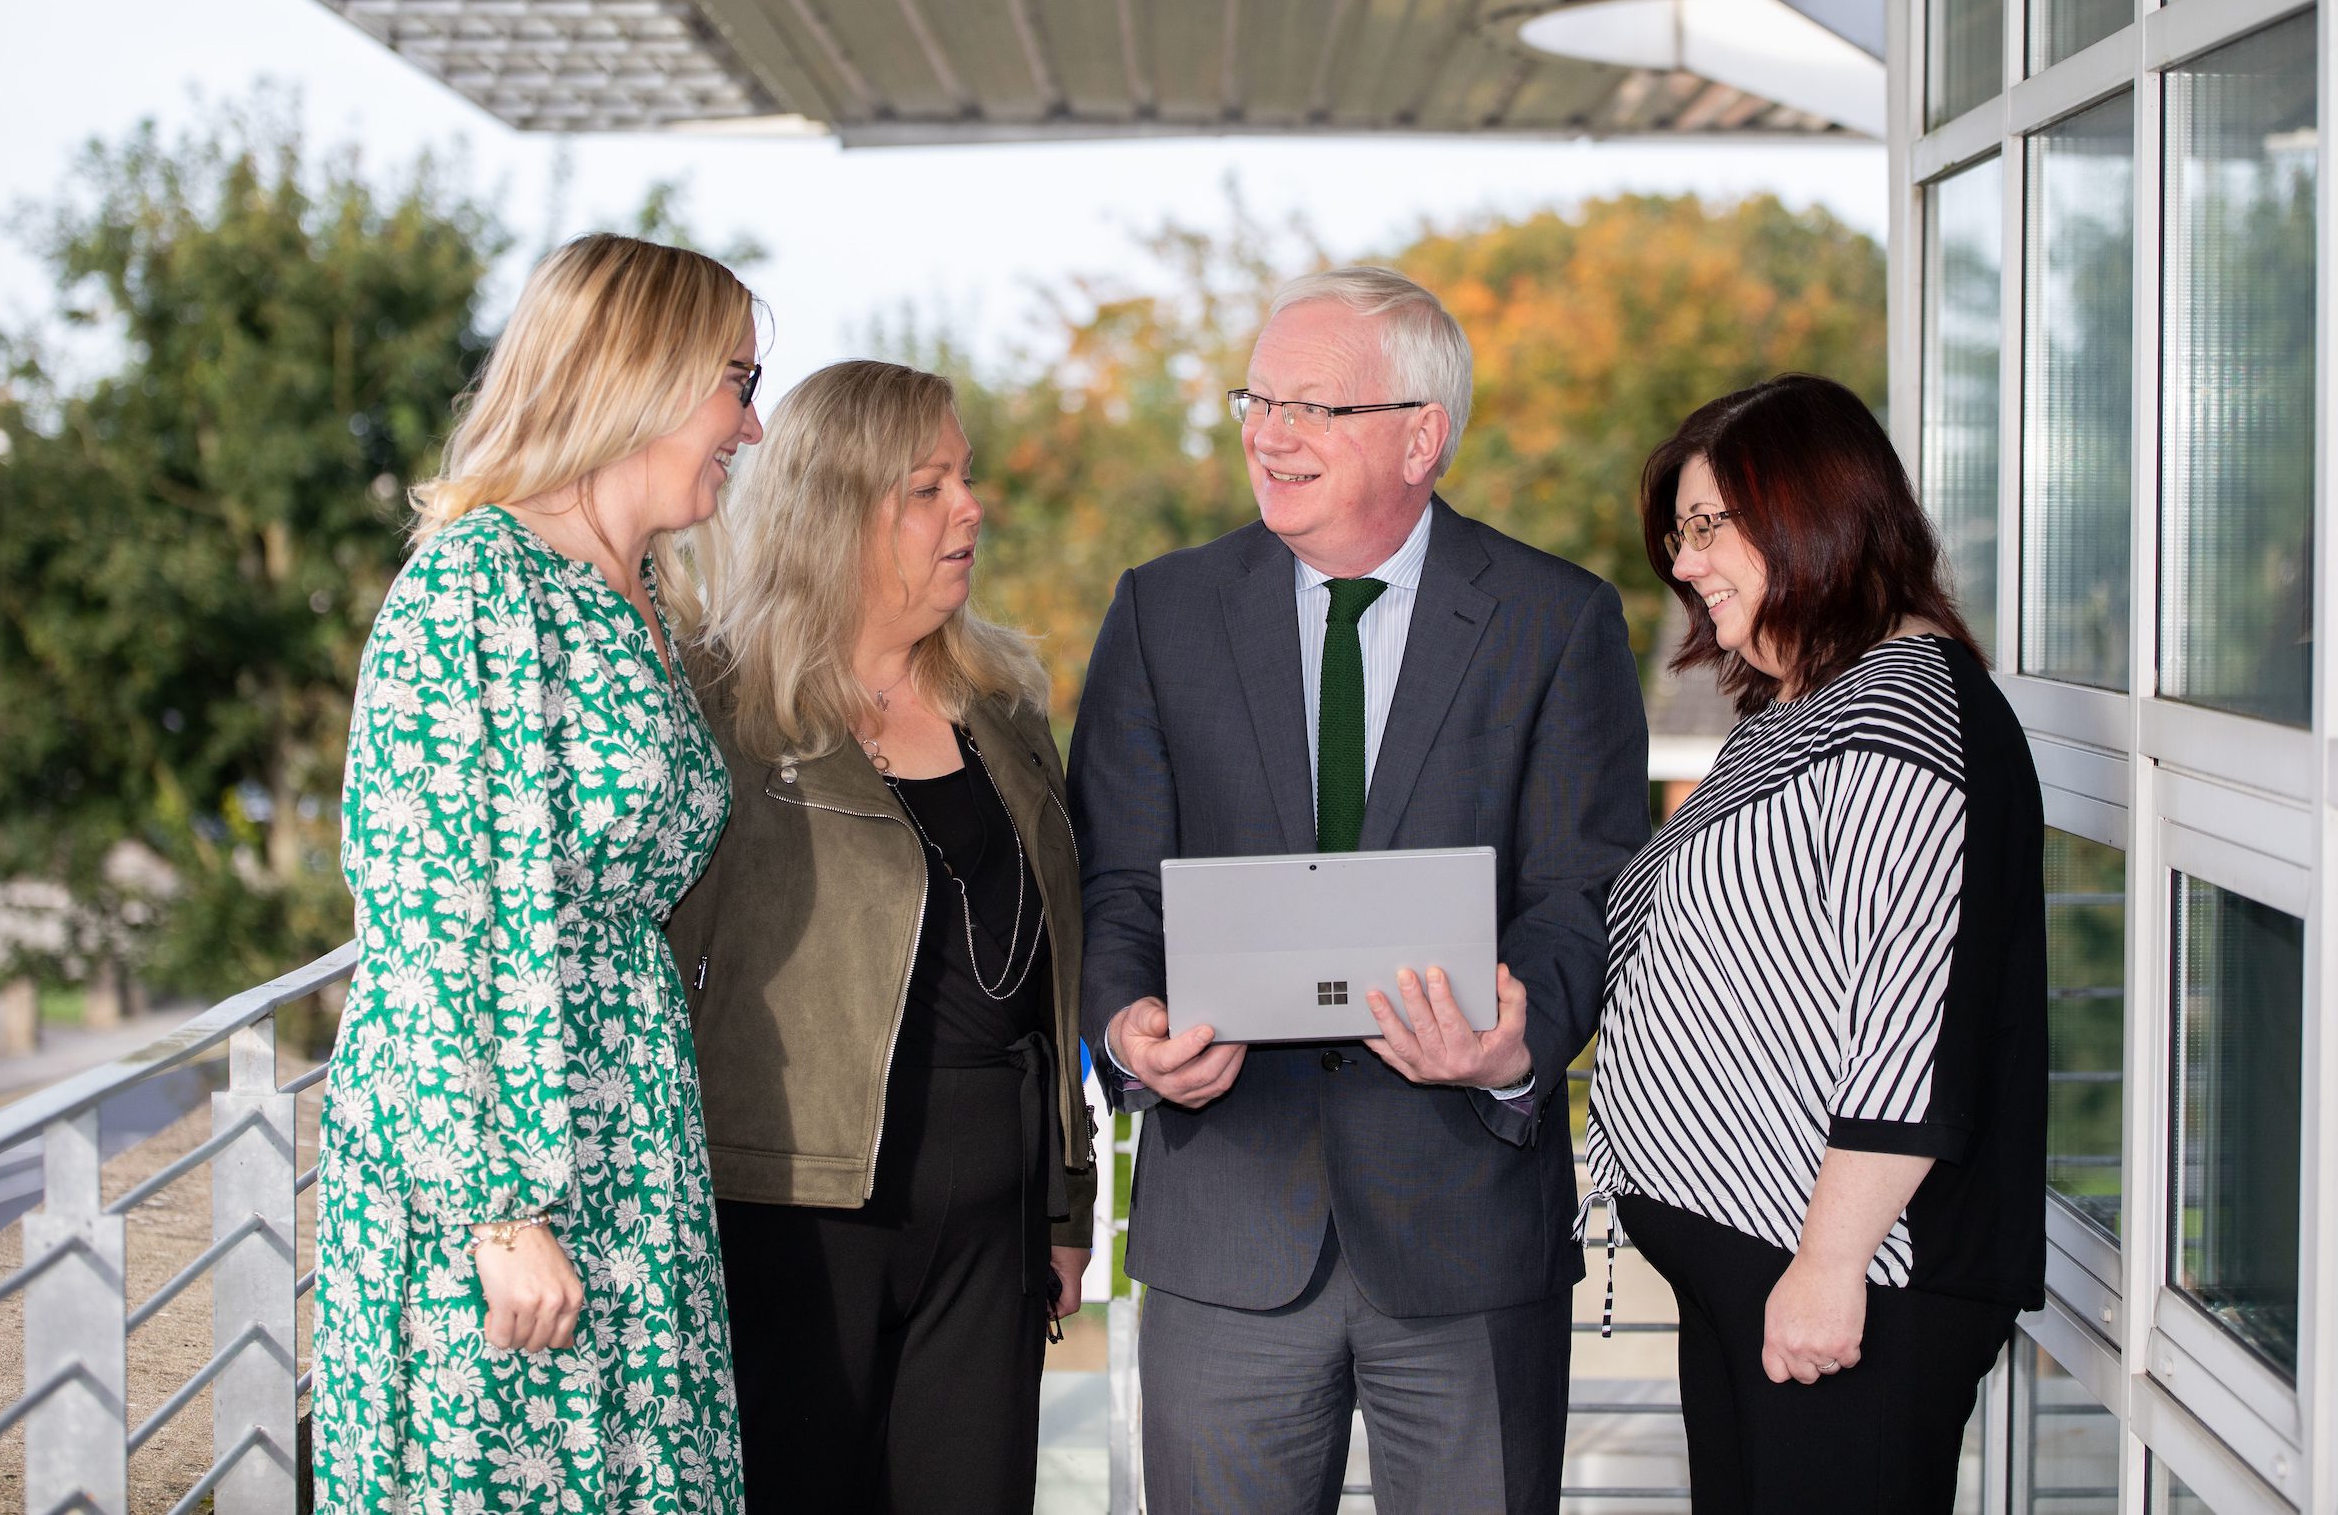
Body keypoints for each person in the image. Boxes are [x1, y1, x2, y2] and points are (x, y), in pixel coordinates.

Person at [1072, 266, 1651, 1514]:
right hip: (1226, 1225)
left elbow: (1582, 888)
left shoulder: (1556, 621)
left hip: (1470, 1224)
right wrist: (1125, 1026)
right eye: (1255, 400)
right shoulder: (1161, 614)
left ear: (1421, 437)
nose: (1268, 435)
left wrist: (1516, 1041)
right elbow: (1116, 881)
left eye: (1313, 410)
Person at [312, 233, 762, 1513]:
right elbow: (431, 916)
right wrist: (500, 1211)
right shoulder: (475, 587)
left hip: (629, 1142)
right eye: (737, 380)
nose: (756, 423)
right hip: (501, 1173)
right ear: (642, 373)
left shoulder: (637, 591)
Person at [1587, 374, 2047, 1513]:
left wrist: (1831, 1264)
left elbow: (1912, 1024)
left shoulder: (1905, 719)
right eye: (1677, 532)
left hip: (1848, 1285)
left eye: (1708, 527)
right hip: (1758, 1262)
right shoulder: (1807, 701)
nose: (1683, 562)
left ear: (1813, 511)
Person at [667, 360, 1096, 1514]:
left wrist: (1065, 1201)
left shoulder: (1004, 701)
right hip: (791, 1212)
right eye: (929, 486)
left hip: (993, 1218)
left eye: (966, 477)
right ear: (838, 508)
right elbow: (655, 969)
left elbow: (1049, 977)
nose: (972, 505)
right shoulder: (722, 708)